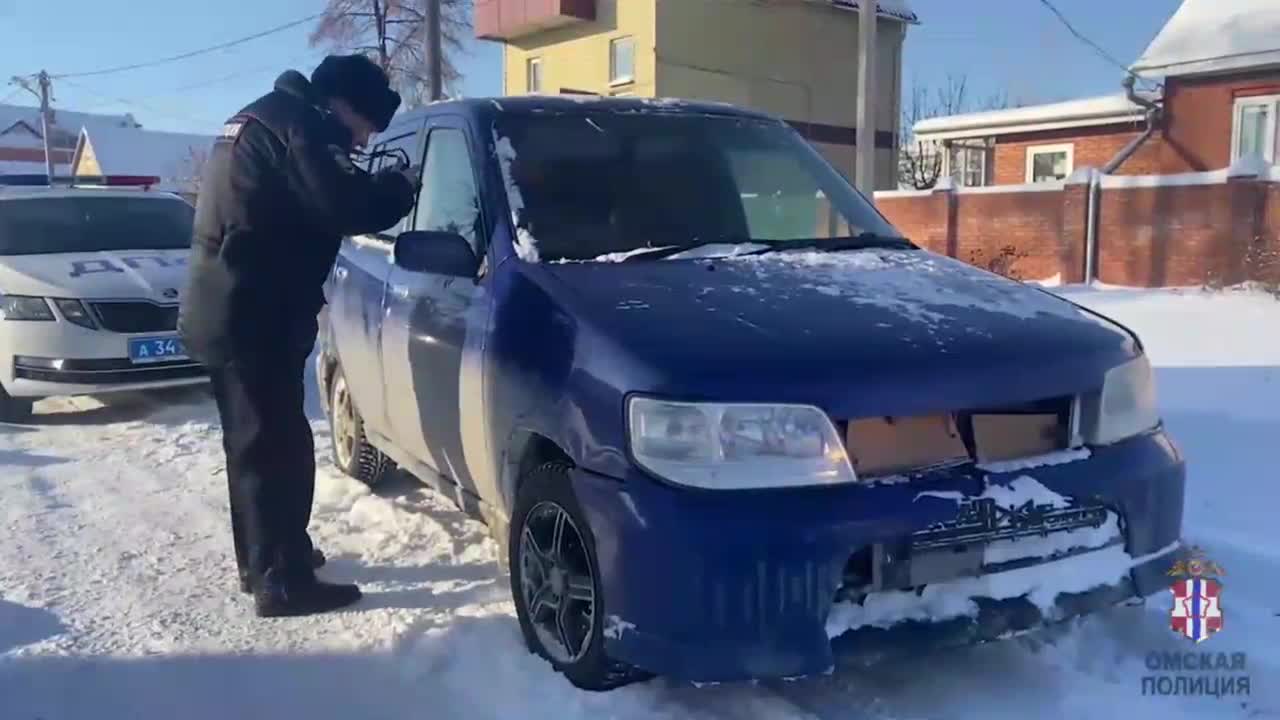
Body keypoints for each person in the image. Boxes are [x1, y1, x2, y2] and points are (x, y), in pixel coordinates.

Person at [179, 55, 417, 617]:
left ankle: (267, 558)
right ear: (344, 106)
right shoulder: (303, 127)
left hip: (233, 308)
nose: (361, 144)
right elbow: (343, 204)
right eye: (363, 130)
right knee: (273, 446)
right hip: (251, 314)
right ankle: (279, 580)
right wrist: (397, 187)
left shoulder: (266, 117)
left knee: (255, 443)